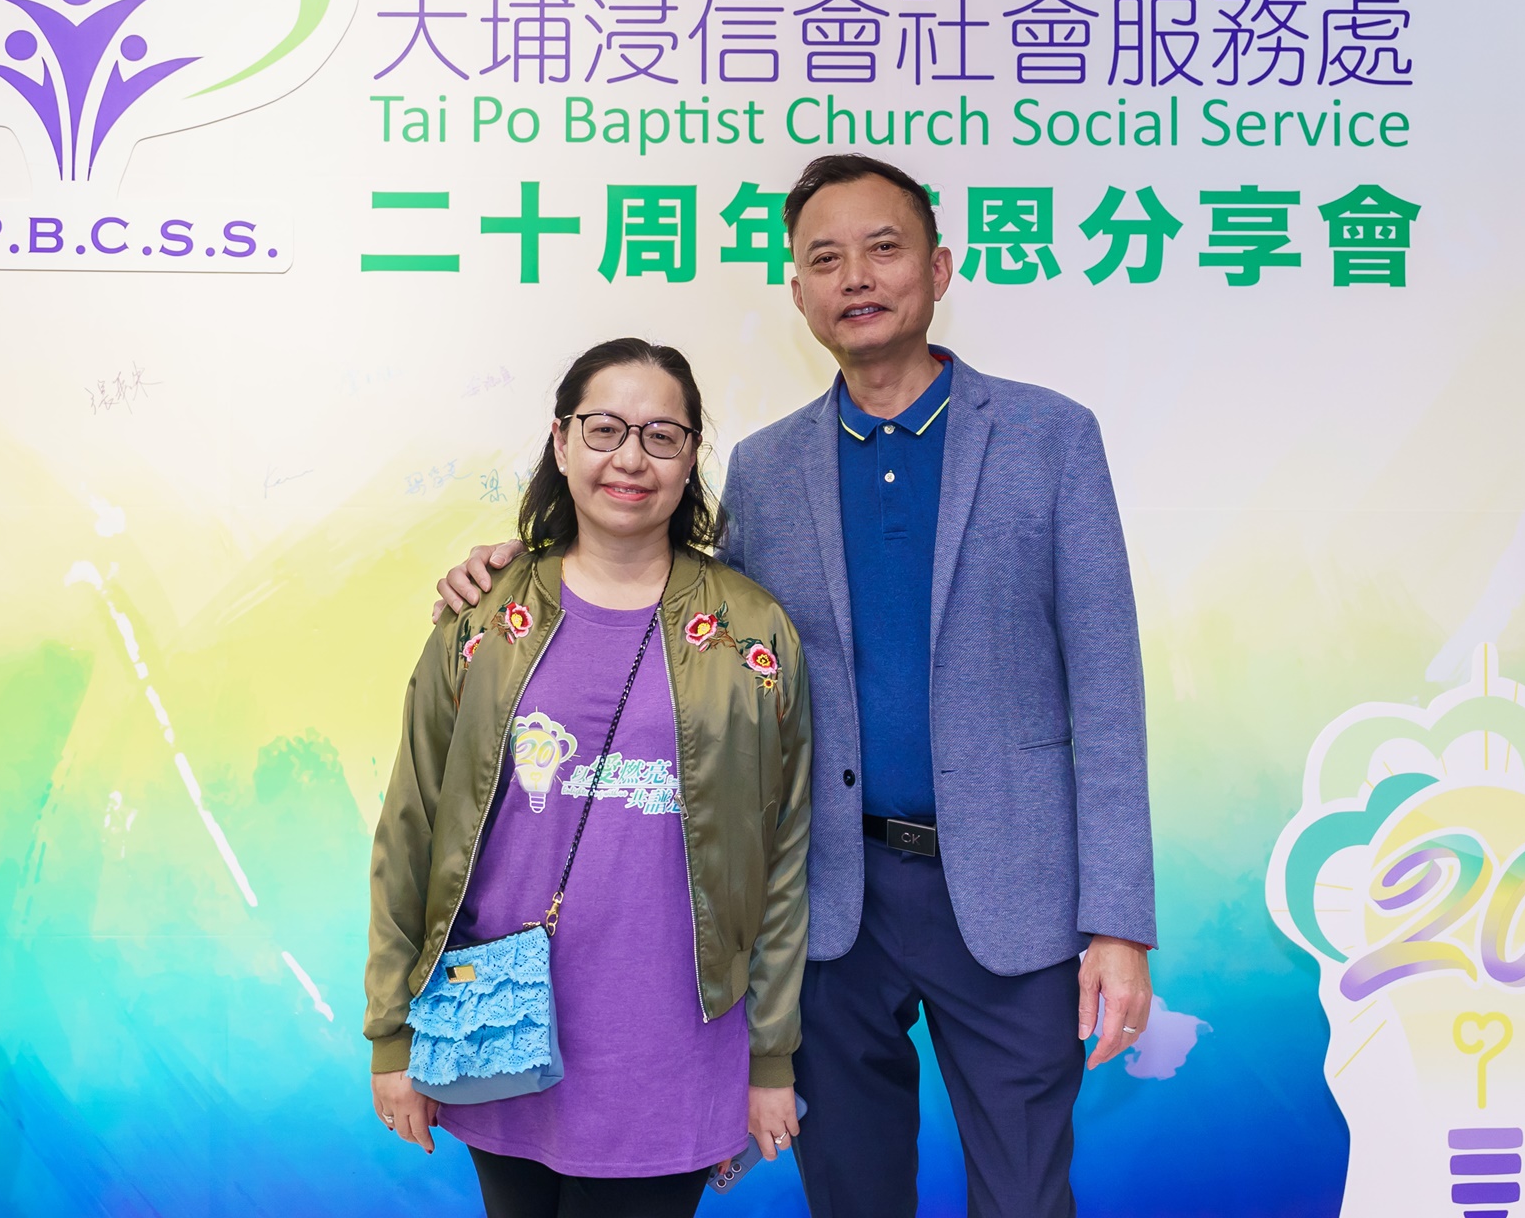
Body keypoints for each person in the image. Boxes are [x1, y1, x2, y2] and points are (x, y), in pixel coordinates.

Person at [435, 155, 1157, 1218]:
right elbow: (675, 598)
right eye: (825, 258)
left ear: (938, 268)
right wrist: (522, 569)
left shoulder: (1050, 438)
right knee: (851, 1196)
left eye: (883, 248)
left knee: (1025, 1196)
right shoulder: (769, 467)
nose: (855, 276)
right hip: (831, 904)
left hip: (1014, 895)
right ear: (798, 292)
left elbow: (1108, 689)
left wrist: (1120, 924)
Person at [366, 337, 815, 1218]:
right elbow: (411, 827)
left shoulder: (752, 636)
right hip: (501, 1028)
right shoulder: (483, 618)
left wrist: (770, 1056)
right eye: (604, 428)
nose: (630, 459)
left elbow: (786, 858)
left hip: (676, 1049)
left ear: (691, 458)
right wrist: (390, 1033)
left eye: (661, 436)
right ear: (562, 441)